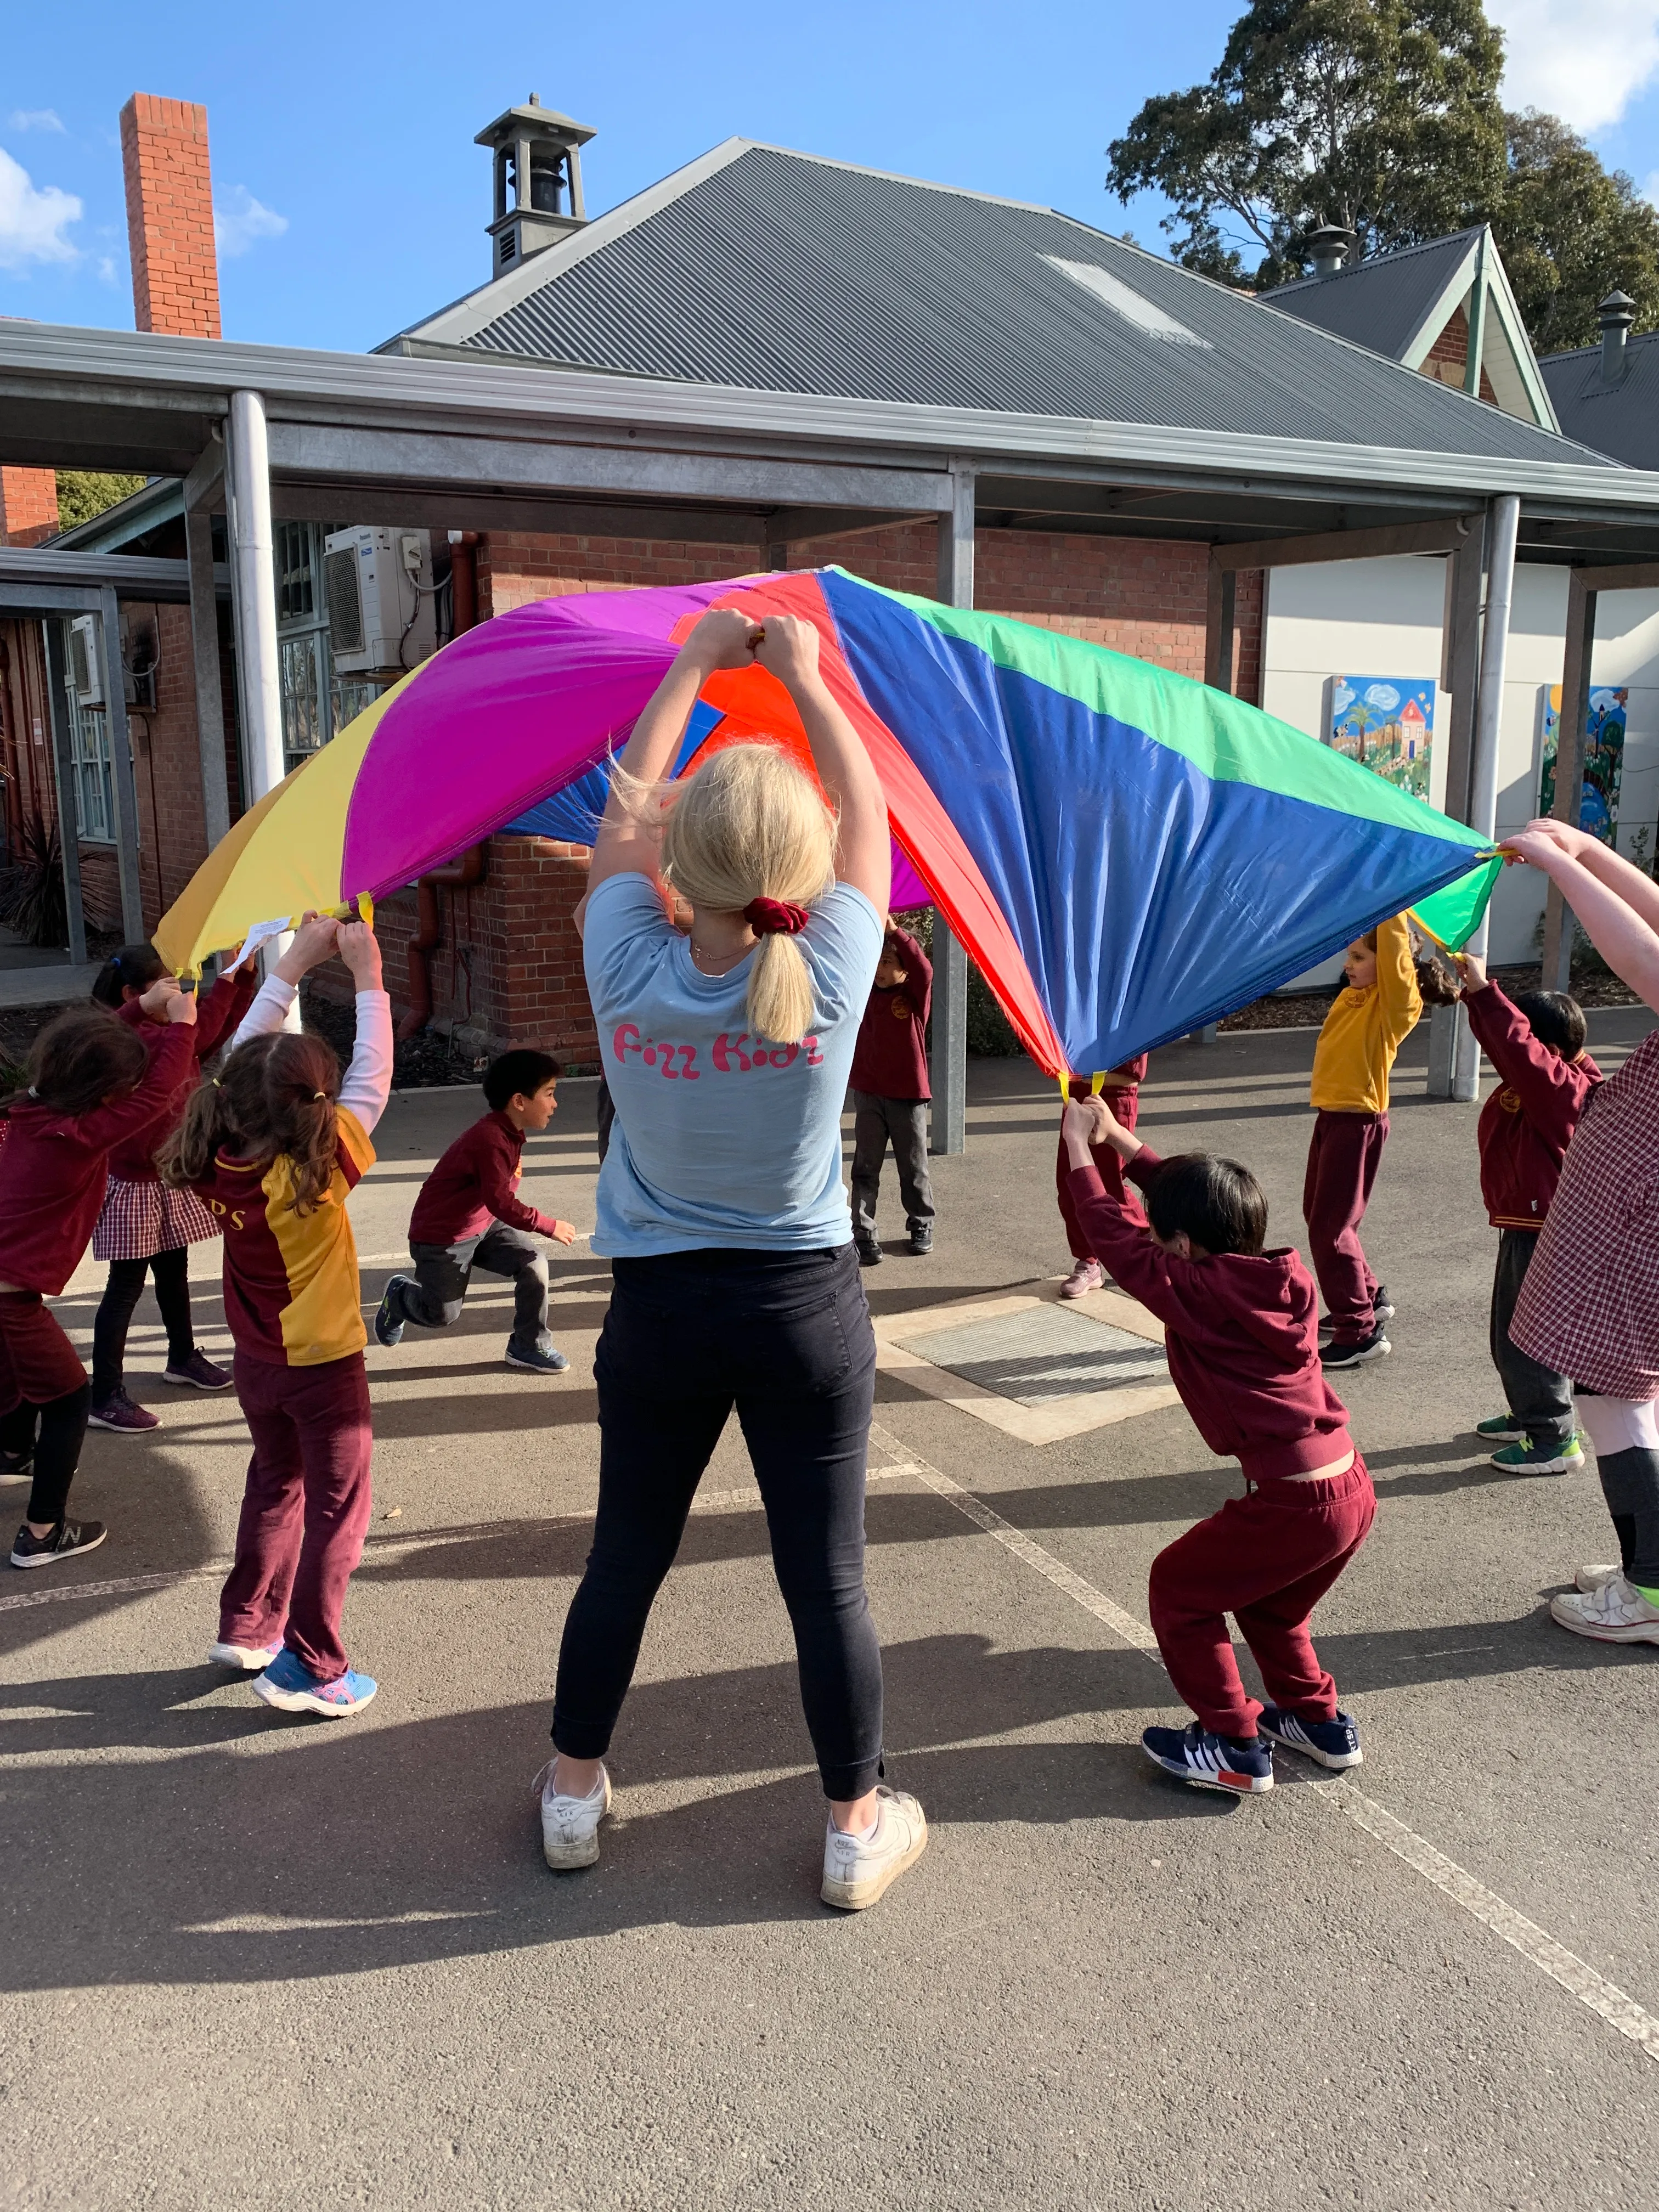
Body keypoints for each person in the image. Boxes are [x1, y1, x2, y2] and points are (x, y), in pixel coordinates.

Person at [541, 603, 927, 1912]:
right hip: (802, 1311)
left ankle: (572, 1798)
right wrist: (810, 682)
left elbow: (626, 817)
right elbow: (869, 808)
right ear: (806, 866)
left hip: (658, 1313)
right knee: (827, 1581)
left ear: (678, 865)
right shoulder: (832, 963)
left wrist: (694, 665)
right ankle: (852, 1829)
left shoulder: (621, 952)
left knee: (624, 1560)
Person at [1061, 1091, 1374, 1796]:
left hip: (1293, 1502)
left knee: (1181, 1589)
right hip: (1350, 1485)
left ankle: (1232, 1741)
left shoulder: (1191, 1289)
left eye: (1167, 1238)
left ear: (1181, 1246)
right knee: (1272, 1607)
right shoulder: (1281, 1275)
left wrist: (1080, 1147)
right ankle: (1315, 1720)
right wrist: (1120, 1138)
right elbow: (1194, 1208)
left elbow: (1112, 1233)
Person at [159, 913, 391, 1716]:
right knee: (338, 1513)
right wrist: (368, 977)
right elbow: (375, 1079)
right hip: (324, 1369)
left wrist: (291, 965)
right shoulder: (319, 1171)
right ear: (314, 1108)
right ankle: (313, 1665)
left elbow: (232, 1073)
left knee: (276, 1483)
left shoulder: (214, 1152)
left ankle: (247, 1622)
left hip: (259, 1366)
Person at [1499, 821, 1659, 1647]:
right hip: (1636, 1207)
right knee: (1627, 1389)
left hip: (1640, 1217)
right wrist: (1590, 855)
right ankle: (1650, 1563)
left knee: (1613, 1390)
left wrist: (1564, 865)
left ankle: (1651, 1587)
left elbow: (1644, 961)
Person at [0, 990, 197, 1567]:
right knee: (68, 1399)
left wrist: (138, 1009)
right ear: (108, 1094)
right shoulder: (82, 1134)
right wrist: (183, 1023)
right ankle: (42, 1533)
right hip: (9, 1299)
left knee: (14, 1381)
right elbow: (161, 1092)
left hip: (8, 1292)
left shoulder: (29, 1110)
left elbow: (80, 1045)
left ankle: (12, 1453)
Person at [84, 943, 258, 1432]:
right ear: (133, 996)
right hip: (136, 1182)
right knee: (124, 1289)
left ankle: (182, 1357)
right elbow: (196, 1028)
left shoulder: (170, 1033)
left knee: (174, 1271)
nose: (182, 993)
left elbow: (213, 1029)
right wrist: (226, 980)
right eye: (168, 987)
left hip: (168, 1175)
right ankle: (106, 1394)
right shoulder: (132, 1042)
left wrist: (239, 979)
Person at [1458, 950, 1600, 1476]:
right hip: (1526, 1224)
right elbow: (1508, 1045)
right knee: (1510, 1331)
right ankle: (1531, 1414)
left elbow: (1517, 1049)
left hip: (1546, 1230)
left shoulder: (1564, 1089)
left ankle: (1554, 1438)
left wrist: (1483, 992)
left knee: (1527, 1336)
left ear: (1553, 1052)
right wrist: (1476, 1000)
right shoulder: (1544, 1080)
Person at [1304, 915, 1457, 1369]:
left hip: (1357, 1123)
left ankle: (1360, 1331)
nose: (1348, 965)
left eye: (1359, 957)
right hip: (1333, 1118)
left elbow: (1393, 954)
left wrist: (1395, 902)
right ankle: (1368, 1297)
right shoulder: (1355, 996)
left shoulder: (1394, 1005)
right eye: (1348, 956)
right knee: (1320, 1215)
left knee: (1331, 1230)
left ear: (1391, 965)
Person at [375, 1048, 579, 1370]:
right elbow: (502, 1201)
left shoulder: (509, 1132)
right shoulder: (491, 1140)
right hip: (444, 1236)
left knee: (533, 1264)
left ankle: (529, 1345)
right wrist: (547, 1225)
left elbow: (495, 1204)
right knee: (441, 1314)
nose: (555, 1103)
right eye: (550, 1094)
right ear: (519, 1101)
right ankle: (400, 1297)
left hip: (484, 1224)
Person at [848, 915, 934, 1265]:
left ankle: (921, 1223)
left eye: (889, 962)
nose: (880, 969)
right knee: (865, 1166)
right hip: (869, 1095)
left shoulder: (913, 997)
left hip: (908, 1097)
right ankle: (863, 1231)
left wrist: (895, 932)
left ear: (904, 969)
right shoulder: (864, 993)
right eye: (878, 960)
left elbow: (924, 969)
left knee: (912, 1166)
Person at [1057, 1059, 1148, 1298]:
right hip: (1077, 1088)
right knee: (1071, 1183)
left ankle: (1149, 1236)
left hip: (1116, 1091)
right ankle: (1088, 1261)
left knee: (1110, 1182)